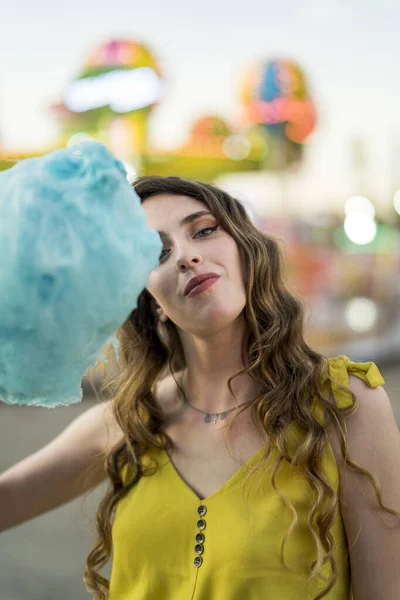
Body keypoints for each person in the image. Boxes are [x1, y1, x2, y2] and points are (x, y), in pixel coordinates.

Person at [1, 176, 399, 600]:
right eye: (157, 252)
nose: (187, 257)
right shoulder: (128, 423)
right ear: (150, 299)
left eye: (204, 230)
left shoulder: (345, 404)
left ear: (245, 249)